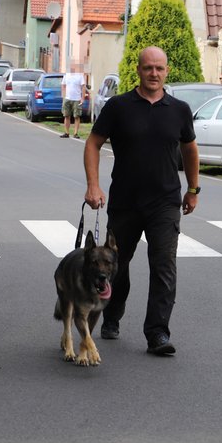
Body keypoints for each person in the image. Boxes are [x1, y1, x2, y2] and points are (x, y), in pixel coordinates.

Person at [83, 46, 200, 356]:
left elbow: (189, 149)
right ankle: (112, 314)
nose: (154, 74)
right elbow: (93, 143)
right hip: (125, 202)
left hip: (164, 203)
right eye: (148, 68)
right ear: (138, 70)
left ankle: (157, 333)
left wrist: (193, 189)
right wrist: (93, 186)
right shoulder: (118, 107)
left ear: (167, 71)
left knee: (164, 267)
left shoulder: (179, 110)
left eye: (159, 69)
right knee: (116, 266)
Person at [61, 64, 87, 139]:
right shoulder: (67, 75)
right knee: (66, 115)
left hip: (77, 99)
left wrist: (82, 98)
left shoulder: (80, 75)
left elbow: (83, 87)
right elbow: (63, 85)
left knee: (77, 116)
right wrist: (63, 96)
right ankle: (66, 132)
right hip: (67, 98)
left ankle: (75, 133)